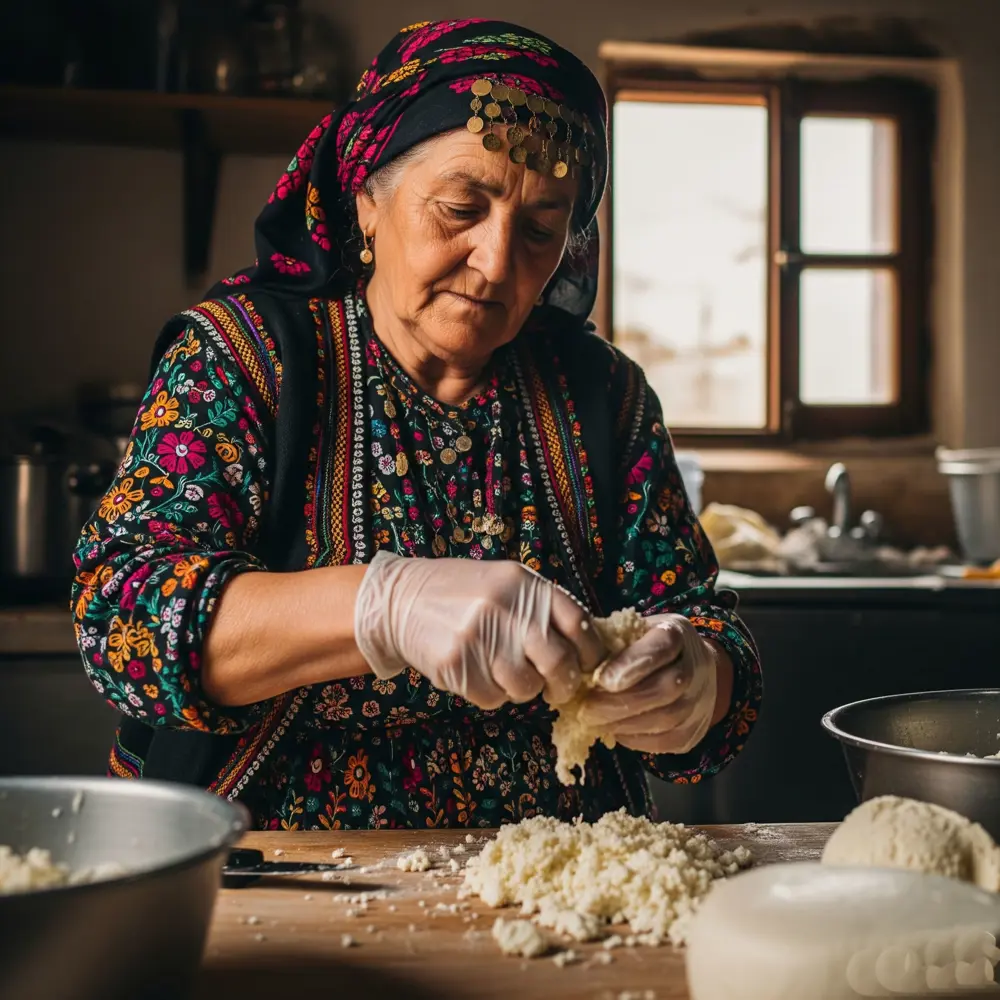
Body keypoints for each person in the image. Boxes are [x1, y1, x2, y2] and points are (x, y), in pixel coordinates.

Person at [72, 19, 761, 830]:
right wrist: (382, 605)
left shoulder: (604, 397)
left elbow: (702, 616)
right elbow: (123, 615)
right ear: (369, 201)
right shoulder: (246, 360)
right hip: (279, 872)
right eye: (460, 207)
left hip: (563, 876)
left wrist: (697, 676)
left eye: (541, 229)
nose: (498, 262)